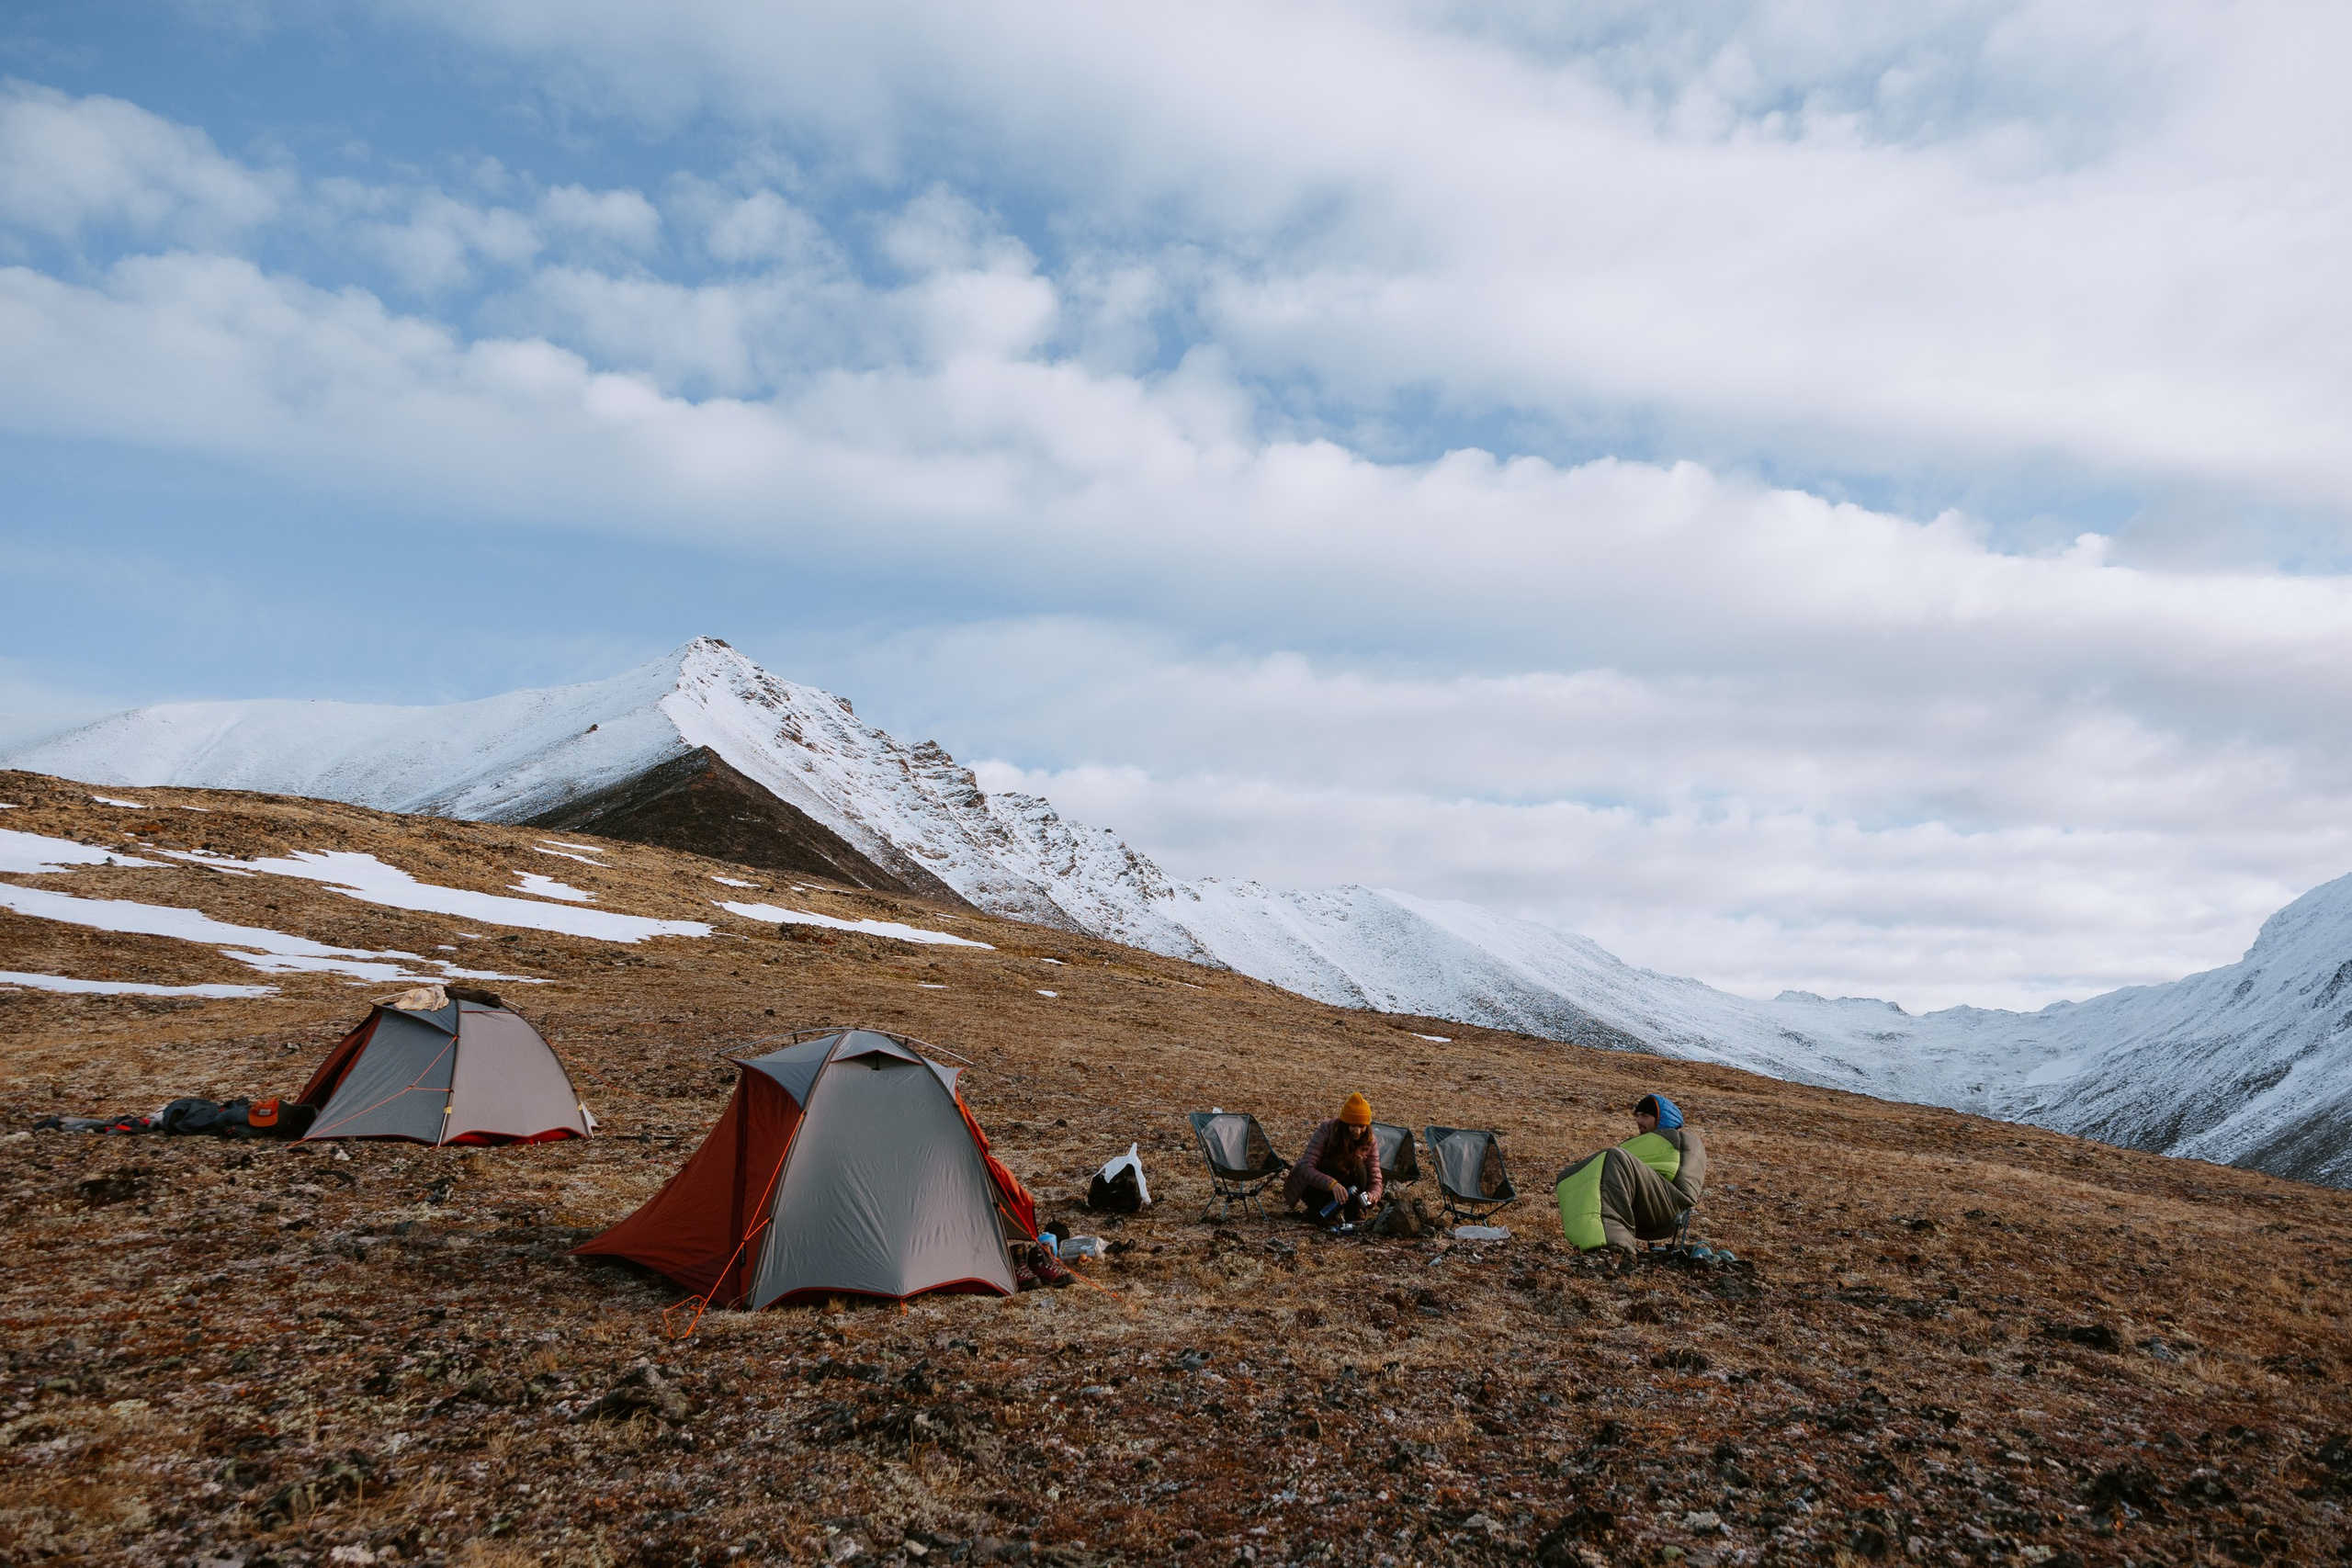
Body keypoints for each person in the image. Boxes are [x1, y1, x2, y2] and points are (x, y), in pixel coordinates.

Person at [1554, 1091, 1707, 1264]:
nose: (1638, 1121)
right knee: (1569, 1175)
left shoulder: (1683, 1140)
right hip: (1640, 1204)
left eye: (1645, 1116)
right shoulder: (1641, 1143)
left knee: (1614, 1157)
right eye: (1637, 1115)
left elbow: (1677, 1176)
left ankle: (1612, 1244)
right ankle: (1588, 1240)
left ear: (1663, 1118)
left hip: (1669, 1207)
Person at [1283, 1093, 1385, 1227]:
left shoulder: (1370, 1141)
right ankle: (1318, 1210)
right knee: (1342, 1162)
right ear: (1344, 1123)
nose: (1357, 1131)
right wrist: (1332, 1184)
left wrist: (1373, 1196)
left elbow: (1375, 1178)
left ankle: (1353, 1211)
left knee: (1360, 1168)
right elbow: (1305, 1167)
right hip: (1315, 1189)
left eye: (1362, 1126)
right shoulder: (1327, 1129)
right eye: (1352, 1125)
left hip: (1345, 1191)